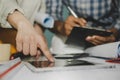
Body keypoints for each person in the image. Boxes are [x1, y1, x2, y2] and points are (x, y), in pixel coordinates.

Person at [45, 0, 120, 53]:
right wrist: (62, 27)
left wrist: (113, 34)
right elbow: (52, 17)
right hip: (75, 33)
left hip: (111, 33)